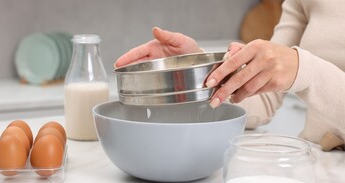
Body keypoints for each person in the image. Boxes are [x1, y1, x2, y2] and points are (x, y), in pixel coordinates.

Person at [115, 0, 345, 151]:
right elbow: (264, 100)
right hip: (316, 165)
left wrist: (305, 70)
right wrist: (199, 71)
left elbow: (302, 70)